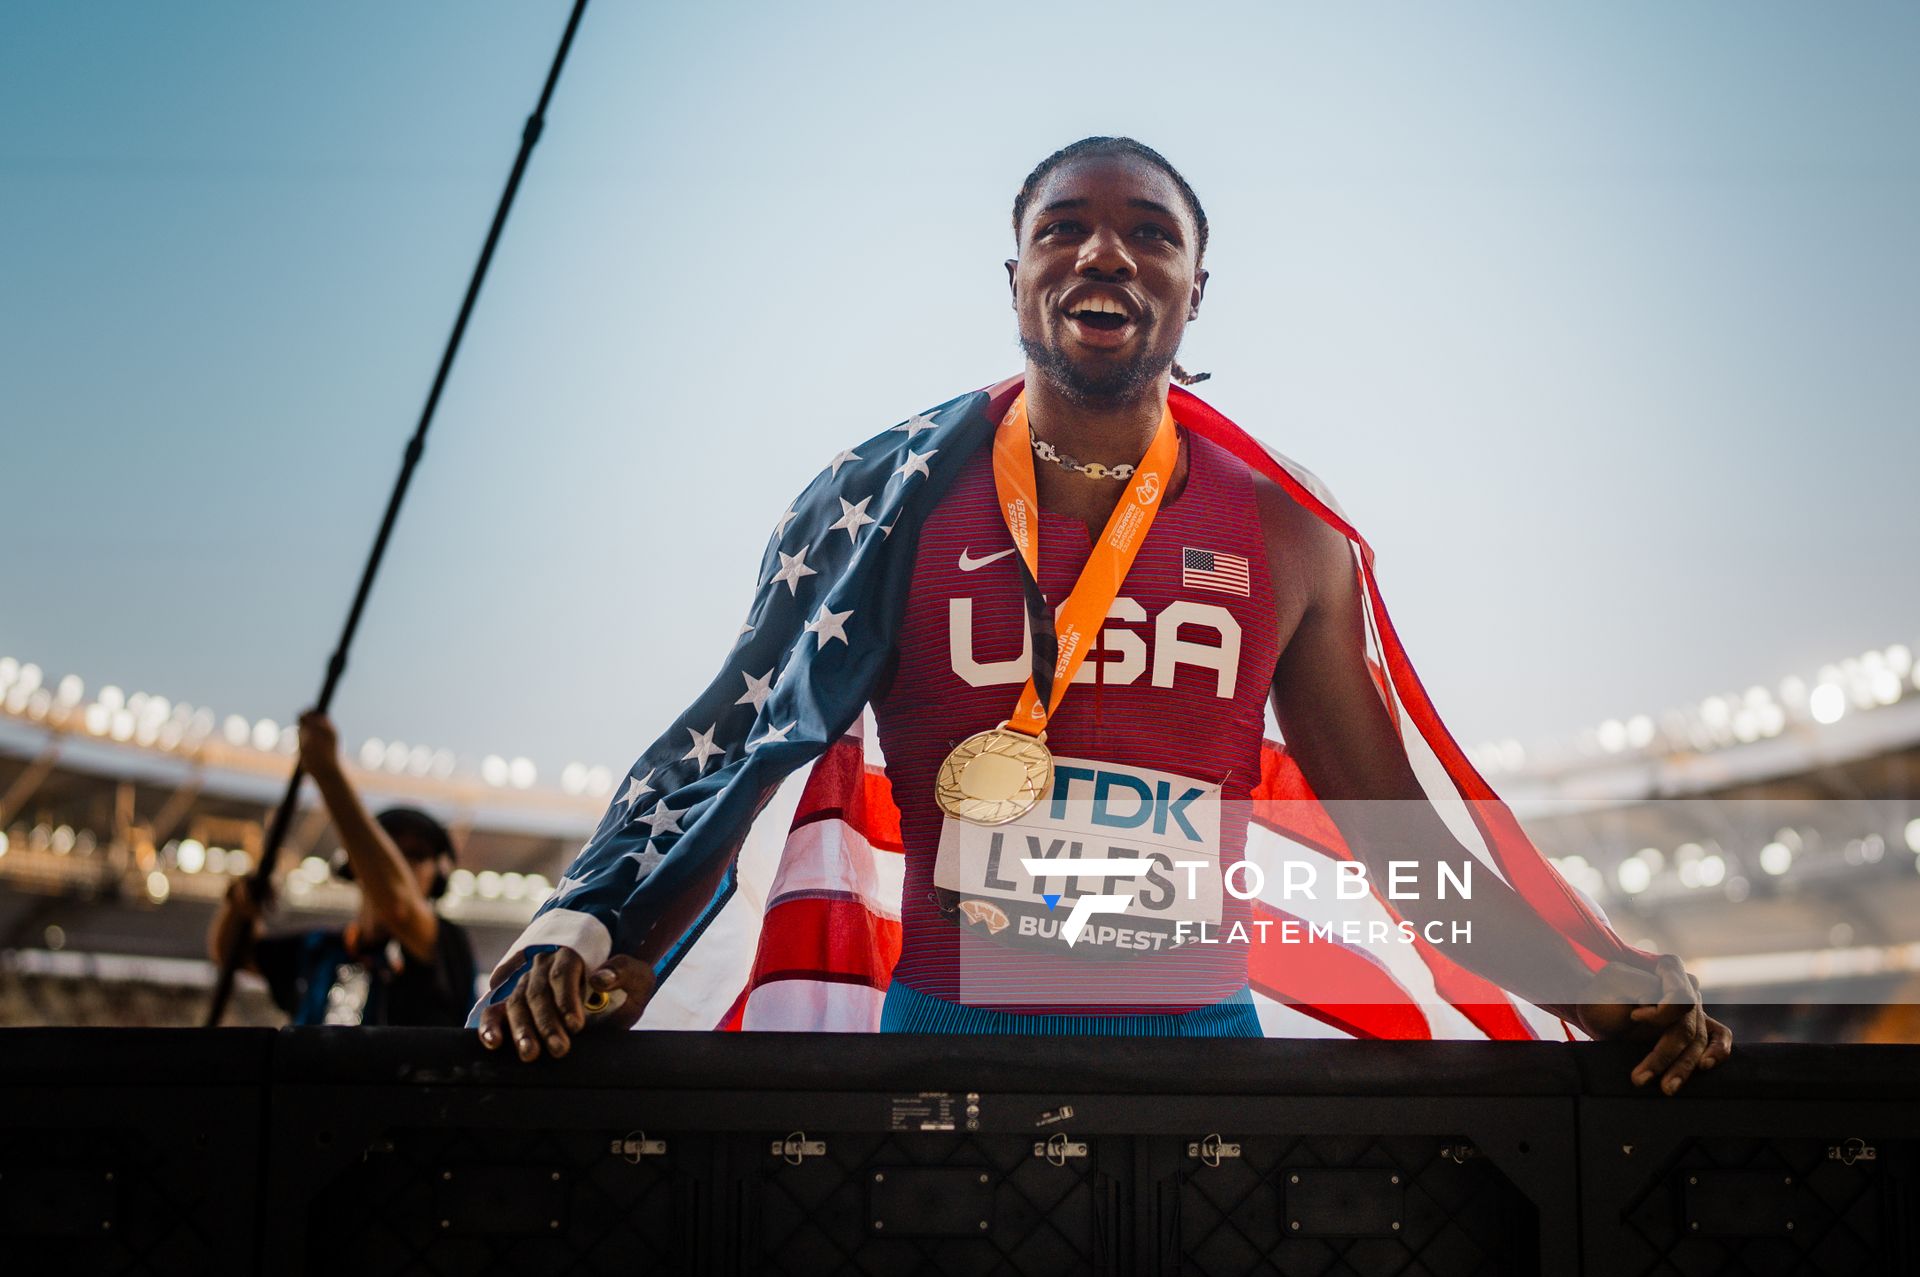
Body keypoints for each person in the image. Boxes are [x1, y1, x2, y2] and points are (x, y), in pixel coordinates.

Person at [475, 137, 1732, 1092]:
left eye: (1149, 233)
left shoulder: (1287, 532)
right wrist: (599, 929)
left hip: (1203, 1063)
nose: (1105, 253)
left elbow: (1392, 839)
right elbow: (737, 746)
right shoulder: (889, 504)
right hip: (938, 1055)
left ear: (1195, 289)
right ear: (1016, 276)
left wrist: (1586, 983)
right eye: (1064, 228)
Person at [208, 710, 478, 1026]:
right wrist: (238, 905)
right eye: (389, 852)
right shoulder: (318, 949)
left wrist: (328, 773)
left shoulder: (447, 946)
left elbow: (399, 907)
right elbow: (232, 952)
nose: (401, 865)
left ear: (439, 876)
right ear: (358, 864)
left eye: (417, 855)